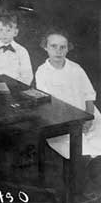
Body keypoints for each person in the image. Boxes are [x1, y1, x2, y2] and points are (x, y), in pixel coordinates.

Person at [35, 29, 101, 159]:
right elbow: (48, 103)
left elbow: (89, 95)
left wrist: (88, 118)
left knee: (98, 141)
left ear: (67, 49)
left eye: (62, 47)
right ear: (45, 47)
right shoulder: (42, 72)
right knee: (80, 151)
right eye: (53, 46)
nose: (58, 51)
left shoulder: (76, 68)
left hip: (87, 115)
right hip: (61, 122)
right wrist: (74, 124)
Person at [0, 14, 33, 85]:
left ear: (15, 32)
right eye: (1, 30)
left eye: (8, 30)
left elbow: (27, 74)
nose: (4, 34)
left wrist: (19, 86)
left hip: (16, 86)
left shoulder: (22, 51)